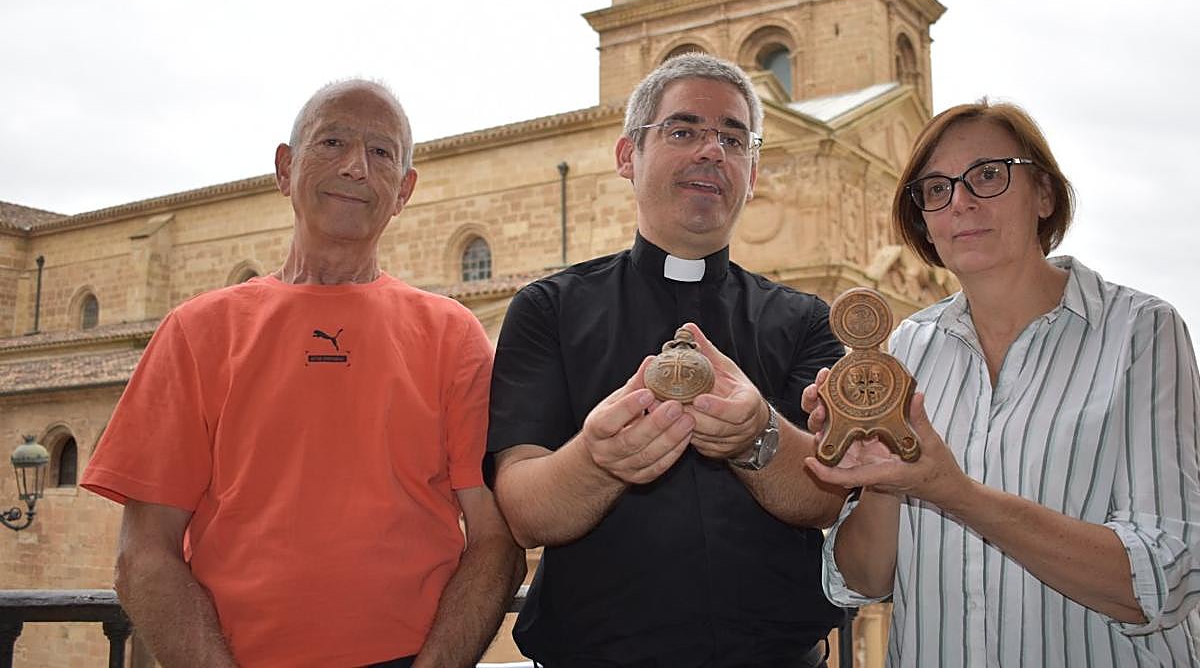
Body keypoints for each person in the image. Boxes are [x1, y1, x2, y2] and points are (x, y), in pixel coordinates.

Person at [81, 80, 524, 668]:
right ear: (285, 168)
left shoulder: (453, 335)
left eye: (382, 152)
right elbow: (144, 552)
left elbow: (495, 540)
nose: (355, 167)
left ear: (404, 191)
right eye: (332, 141)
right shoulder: (197, 331)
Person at [803, 99, 1200, 666]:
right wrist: (881, 479)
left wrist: (955, 493)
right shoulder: (908, 347)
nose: (960, 201)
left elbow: (1167, 576)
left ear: (1044, 194)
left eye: (988, 175)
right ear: (925, 222)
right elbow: (862, 582)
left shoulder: (1140, 332)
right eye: (936, 189)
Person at [488, 53, 849, 668]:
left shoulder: (808, 320)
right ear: (628, 156)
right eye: (684, 131)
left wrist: (757, 437)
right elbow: (523, 510)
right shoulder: (546, 309)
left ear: (752, 173)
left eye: (733, 139)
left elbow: (829, 496)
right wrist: (597, 461)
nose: (713, 151)